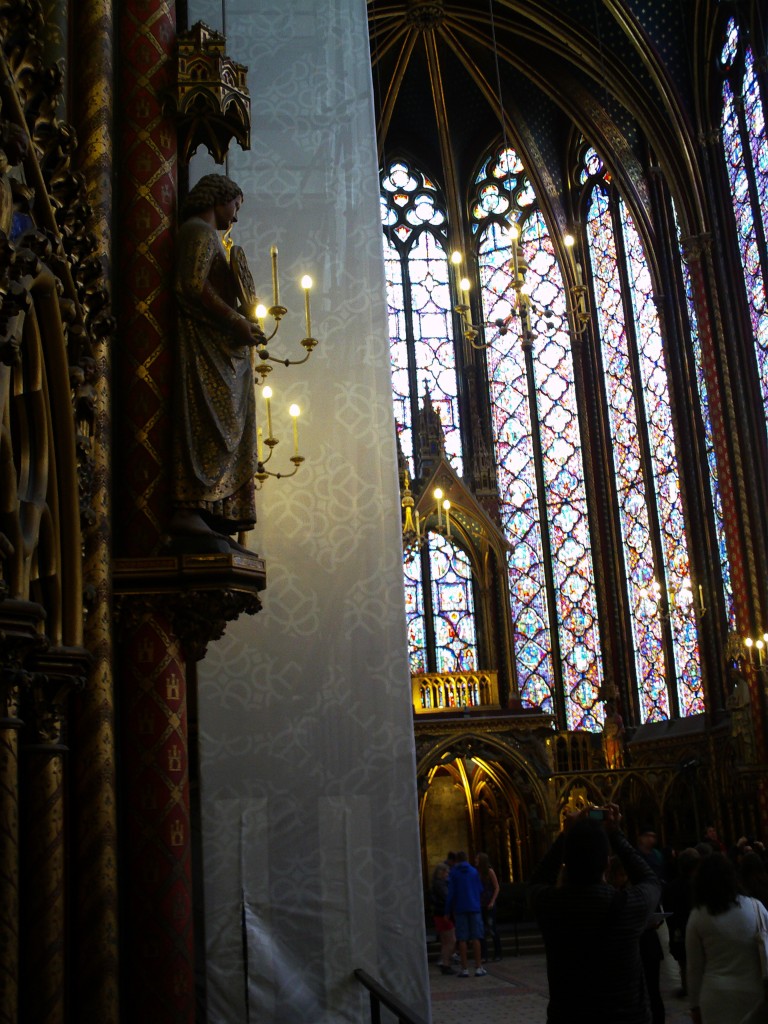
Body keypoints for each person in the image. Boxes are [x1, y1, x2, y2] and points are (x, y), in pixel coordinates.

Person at [170, 173, 265, 550]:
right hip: (205, 349)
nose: (236, 216)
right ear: (217, 198)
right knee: (210, 424)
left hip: (221, 350)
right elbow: (191, 286)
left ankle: (213, 516)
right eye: (236, 205)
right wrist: (236, 320)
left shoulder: (210, 237)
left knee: (227, 426)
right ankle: (191, 509)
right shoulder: (199, 233)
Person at [529, 804, 661, 1024]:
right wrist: (616, 834)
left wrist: (565, 835)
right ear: (607, 864)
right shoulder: (628, 906)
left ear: (566, 863)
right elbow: (651, 880)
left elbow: (536, 881)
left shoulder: (551, 906)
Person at [686, 852, 768, 1024]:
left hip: (715, 995)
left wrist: (694, 1005)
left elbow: (694, 967)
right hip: (753, 994)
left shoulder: (698, 915)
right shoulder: (756, 907)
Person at [636, 827, 666, 1024]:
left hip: (647, 941)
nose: (652, 839)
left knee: (651, 991)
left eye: (654, 835)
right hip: (646, 942)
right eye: (649, 835)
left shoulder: (655, 855)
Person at [663, 846, 700, 996]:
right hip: (695, 930)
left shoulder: (671, 887)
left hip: (679, 931)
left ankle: (687, 986)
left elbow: (668, 911)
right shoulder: (698, 886)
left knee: (684, 963)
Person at [445, 851, 487, 977]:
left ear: (457, 860)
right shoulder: (474, 872)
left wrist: (447, 910)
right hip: (474, 907)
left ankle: (464, 969)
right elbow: (480, 889)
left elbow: (451, 893)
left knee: (462, 938)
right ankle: (479, 967)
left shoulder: (454, 873)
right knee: (476, 937)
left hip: (460, 908)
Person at [430, 862, 457, 974]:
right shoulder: (440, 884)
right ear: (442, 872)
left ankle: (445, 962)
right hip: (443, 914)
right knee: (450, 940)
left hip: (439, 913)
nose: (448, 874)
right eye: (447, 872)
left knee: (446, 941)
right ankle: (445, 963)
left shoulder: (438, 884)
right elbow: (447, 897)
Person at [476, 851, 502, 961]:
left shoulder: (489, 871)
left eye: (477, 859)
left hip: (489, 903)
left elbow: (496, 887)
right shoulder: (476, 872)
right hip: (480, 903)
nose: (475, 861)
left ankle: (498, 953)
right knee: (481, 930)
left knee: (492, 928)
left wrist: (492, 901)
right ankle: (484, 955)